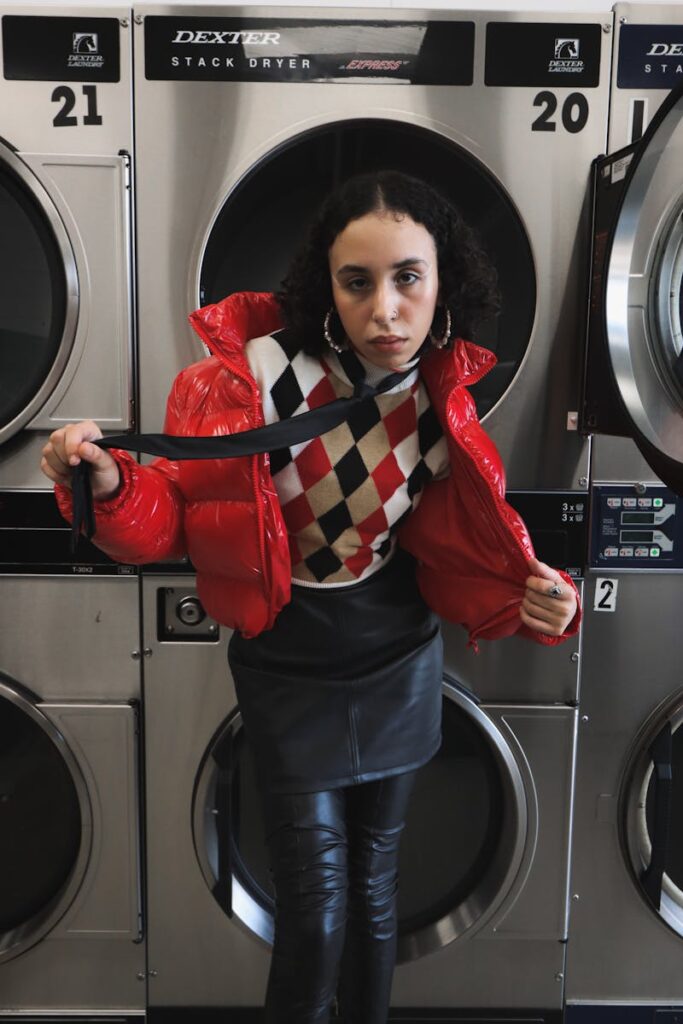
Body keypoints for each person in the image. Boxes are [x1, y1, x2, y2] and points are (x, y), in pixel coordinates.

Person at [41, 171, 580, 1024]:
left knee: (373, 891)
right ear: (324, 289)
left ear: (443, 284)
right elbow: (166, 523)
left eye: (408, 277)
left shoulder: (444, 403)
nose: (385, 310)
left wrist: (543, 598)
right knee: (316, 909)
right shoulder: (246, 379)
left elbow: (470, 551)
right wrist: (108, 483)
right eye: (356, 281)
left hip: (394, 651)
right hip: (290, 655)